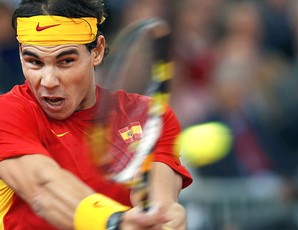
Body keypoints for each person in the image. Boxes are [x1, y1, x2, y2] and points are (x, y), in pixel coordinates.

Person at [0, 0, 192, 229]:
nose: (48, 81)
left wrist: (161, 219)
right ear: (20, 54)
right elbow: (43, 189)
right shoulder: (6, 113)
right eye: (34, 62)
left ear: (97, 51)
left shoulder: (149, 116)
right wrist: (114, 222)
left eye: (66, 61)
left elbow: (160, 201)